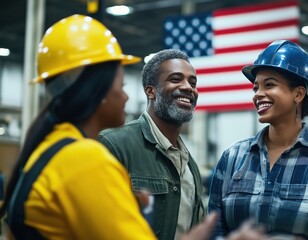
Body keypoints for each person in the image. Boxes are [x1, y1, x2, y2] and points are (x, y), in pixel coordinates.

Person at [0, 14, 264, 240]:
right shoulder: (85, 158)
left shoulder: (49, 148)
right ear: (99, 90)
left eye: (193, 82)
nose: (126, 97)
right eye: (122, 86)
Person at [208, 40, 308, 239]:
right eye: (255, 87)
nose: (258, 94)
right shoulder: (233, 157)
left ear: (299, 93)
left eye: (269, 85)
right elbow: (215, 231)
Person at [98, 49, 204, 240]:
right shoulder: (114, 145)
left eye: (193, 82)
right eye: (176, 79)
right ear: (151, 91)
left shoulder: (191, 166)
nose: (188, 87)